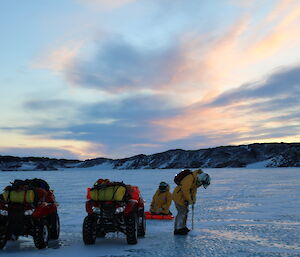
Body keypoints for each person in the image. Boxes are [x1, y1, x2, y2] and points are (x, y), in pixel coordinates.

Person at [172, 169, 211, 235]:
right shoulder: (190, 178)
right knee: (182, 212)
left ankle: (183, 227)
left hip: (184, 198)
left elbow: (193, 192)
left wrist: (193, 200)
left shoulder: (196, 180)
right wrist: (190, 200)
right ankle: (178, 229)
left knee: (185, 211)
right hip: (179, 197)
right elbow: (185, 190)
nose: (201, 184)